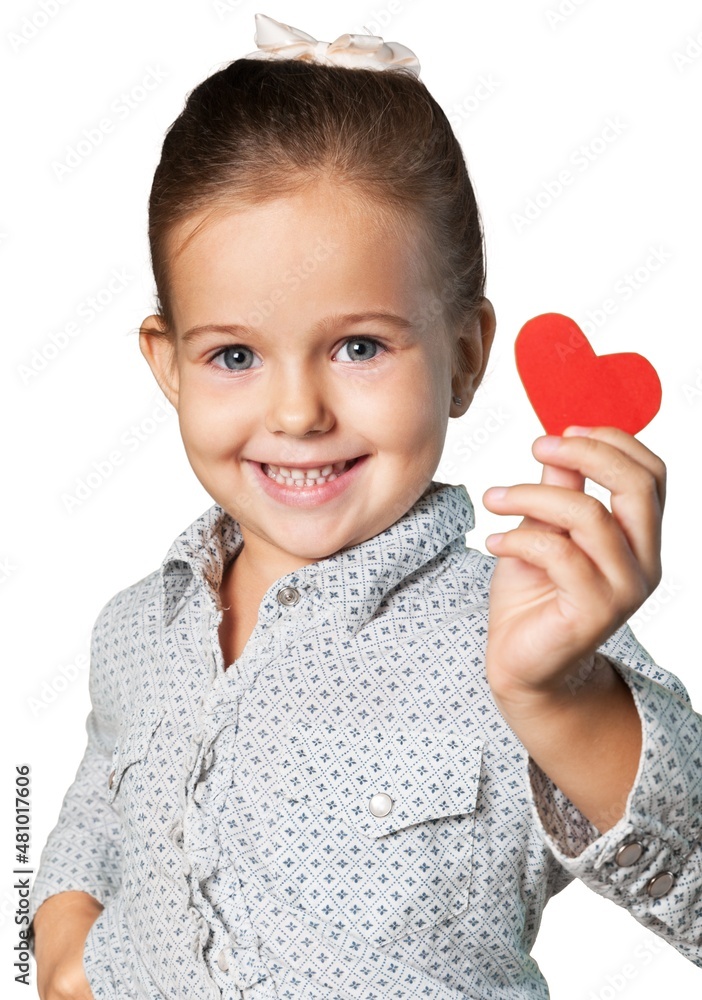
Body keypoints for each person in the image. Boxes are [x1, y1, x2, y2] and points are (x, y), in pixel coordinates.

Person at [28, 12, 702, 1000]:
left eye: (359, 347)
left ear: (465, 355)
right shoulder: (134, 630)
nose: (297, 411)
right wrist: (60, 949)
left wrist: (560, 700)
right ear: (167, 364)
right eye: (234, 356)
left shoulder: (527, 628)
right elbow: (88, 820)